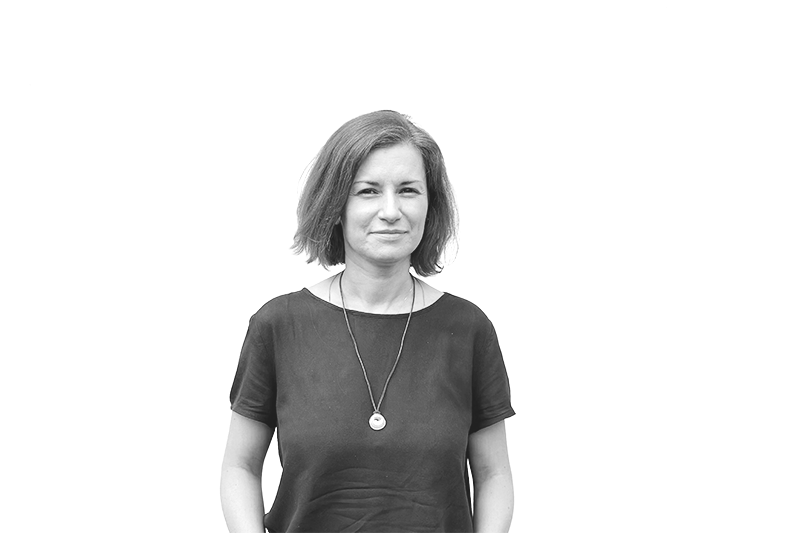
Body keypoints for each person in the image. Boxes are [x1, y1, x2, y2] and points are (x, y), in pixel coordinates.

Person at [220, 110, 515, 533]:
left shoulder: (469, 329)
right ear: (335, 205)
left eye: (408, 190)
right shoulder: (278, 325)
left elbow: (494, 474)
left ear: (430, 205)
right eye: (368, 191)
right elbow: (240, 466)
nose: (390, 211)